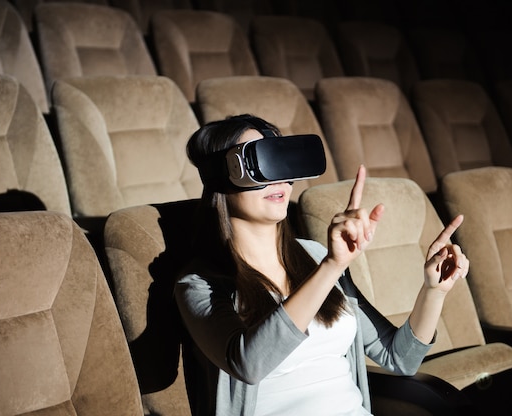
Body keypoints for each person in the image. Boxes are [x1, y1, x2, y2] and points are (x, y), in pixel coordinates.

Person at [174, 114, 469, 416]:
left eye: (282, 160)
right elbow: (248, 364)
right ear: (222, 176)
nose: (278, 178)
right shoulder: (200, 284)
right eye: (261, 163)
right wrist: (331, 266)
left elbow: (398, 358)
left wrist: (434, 290)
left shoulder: (313, 255)